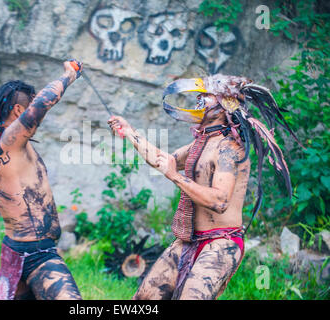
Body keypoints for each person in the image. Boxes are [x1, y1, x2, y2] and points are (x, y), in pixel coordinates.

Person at [108, 74, 300, 300]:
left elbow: (219, 201)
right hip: (189, 240)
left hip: (221, 243)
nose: (199, 99)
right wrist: (130, 132)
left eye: (206, 96)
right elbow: (164, 159)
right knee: (144, 299)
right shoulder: (202, 143)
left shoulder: (230, 148)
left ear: (225, 104)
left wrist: (176, 178)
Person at [0, 59, 83, 300]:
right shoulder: (9, 141)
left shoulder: (3, 143)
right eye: (28, 105)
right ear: (17, 111)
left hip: (16, 251)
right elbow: (44, 102)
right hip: (37, 255)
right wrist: (69, 74)